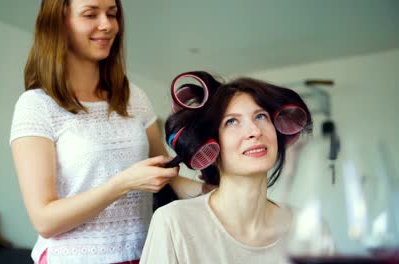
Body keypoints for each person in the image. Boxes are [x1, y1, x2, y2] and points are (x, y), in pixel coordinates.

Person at [9, 1, 203, 263]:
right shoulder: (37, 105)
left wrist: (214, 193)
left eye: (112, 14)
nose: (107, 24)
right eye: (91, 14)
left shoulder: (134, 97)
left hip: (145, 254)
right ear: (59, 23)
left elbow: (166, 176)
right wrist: (124, 183)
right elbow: (45, 220)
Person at [140, 74, 333, 263]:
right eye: (231, 121)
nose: (255, 131)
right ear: (208, 145)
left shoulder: (310, 229)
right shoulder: (174, 223)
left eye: (261, 116)